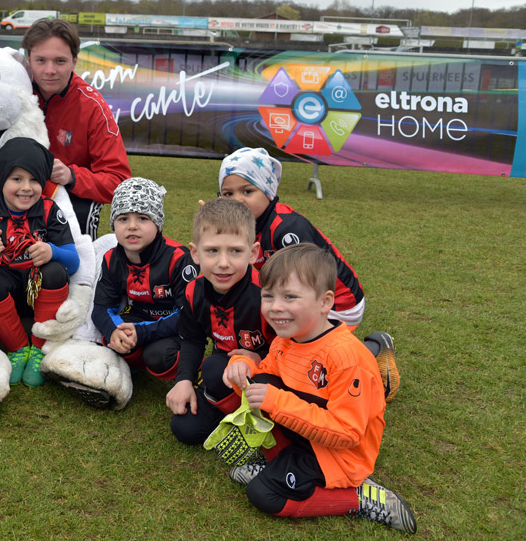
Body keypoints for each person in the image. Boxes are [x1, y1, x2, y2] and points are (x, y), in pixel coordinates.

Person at [222, 244, 416, 533]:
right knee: (262, 385)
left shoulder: (346, 359)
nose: (275, 307)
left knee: (263, 494)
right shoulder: (286, 339)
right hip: (305, 436)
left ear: (325, 302)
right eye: (268, 296)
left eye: (290, 297)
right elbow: (265, 380)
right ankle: (280, 463)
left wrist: (276, 402)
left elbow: (348, 433)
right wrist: (242, 365)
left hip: (339, 455)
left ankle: (360, 498)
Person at [217, 147, 399, 399]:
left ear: (268, 193)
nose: (237, 200)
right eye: (228, 193)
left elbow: (307, 286)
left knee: (306, 369)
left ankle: (372, 354)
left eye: (248, 191)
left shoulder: (287, 229)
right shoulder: (246, 224)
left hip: (337, 303)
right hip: (298, 298)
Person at [0, 138, 80, 387]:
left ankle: (39, 349)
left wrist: (52, 251)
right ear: (1, 179)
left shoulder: (48, 210)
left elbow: (74, 262)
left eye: (34, 180)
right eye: (17, 179)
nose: (26, 188)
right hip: (7, 295)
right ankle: (17, 348)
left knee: (55, 270)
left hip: (40, 294)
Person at [166, 198, 275, 447]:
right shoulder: (194, 291)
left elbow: (293, 347)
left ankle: (255, 419)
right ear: (195, 253)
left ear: (253, 253)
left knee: (215, 368)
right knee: (185, 428)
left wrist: (257, 359)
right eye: (212, 251)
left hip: (269, 373)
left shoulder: (267, 295)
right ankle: (232, 412)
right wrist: (183, 381)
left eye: (235, 251)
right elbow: (191, 339)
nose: (223, 263)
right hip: (228, 375)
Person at [21, 18, 131, 237]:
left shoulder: (93, 107)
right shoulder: (12, 88)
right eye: (41, 60)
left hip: (69, 199)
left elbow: (118, 181)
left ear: (74, 61)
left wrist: (71, 175)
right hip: (18, 192)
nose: (50, 70)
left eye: (60, 61)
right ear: (28, 59)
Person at [91, 177, 197, 382]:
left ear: (158, 223)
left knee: (158, 355)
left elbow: (188, 315)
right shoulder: (111, 258)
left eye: (142, 218)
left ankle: (192, 369)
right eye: (123, 219)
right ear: (113, 224)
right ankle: (133, 365)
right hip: (138, 321)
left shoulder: (179, 258)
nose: (132, 226)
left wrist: (143, 332)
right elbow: (101, 307)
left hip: (174, 327)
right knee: (111, 338)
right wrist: (114, 331)